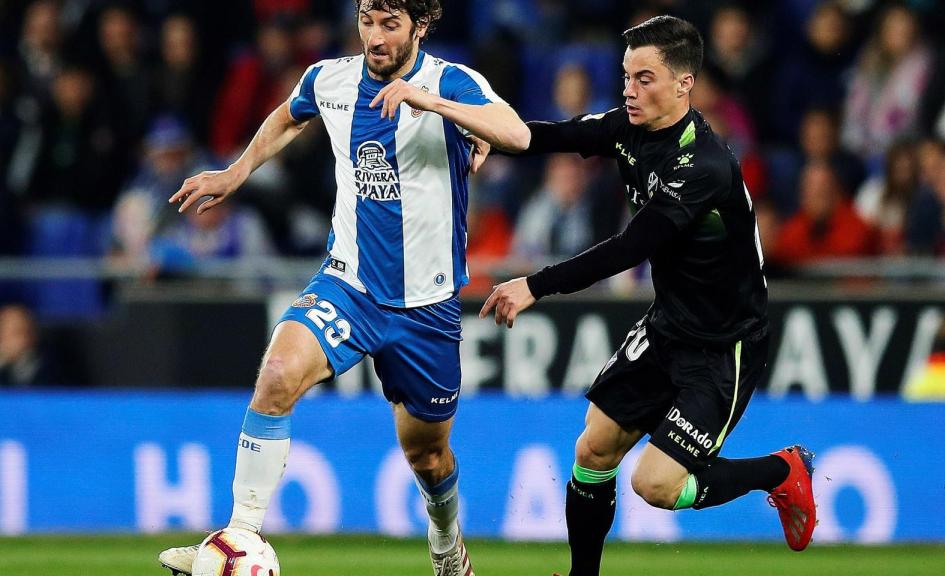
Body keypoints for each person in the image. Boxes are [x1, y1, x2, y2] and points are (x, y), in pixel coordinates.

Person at [158, 1, 529, 575]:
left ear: (420, 27)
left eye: (390, 25)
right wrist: (236, 171)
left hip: (425, 307)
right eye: (367, 22)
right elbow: (288, 116)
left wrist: (432, 105)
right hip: (349, 286)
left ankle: (447, 544)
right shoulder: (328, 79)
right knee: (278, 375)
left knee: (428, 457)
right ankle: (238, 538)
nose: (375, 37)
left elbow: (518, 134)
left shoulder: (450, 81)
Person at [480, 16, 816, 576]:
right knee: (593, 451)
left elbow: (629, 248)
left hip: (723, 346)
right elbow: (545, 136)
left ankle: (780, 472)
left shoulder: (703, 165)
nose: (630, 92)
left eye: (645, 79)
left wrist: (534, 285)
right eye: (626, 78)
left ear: (684, 84)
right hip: (669, 328)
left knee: (655, 485)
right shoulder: (628, 129)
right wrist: (463, 124)